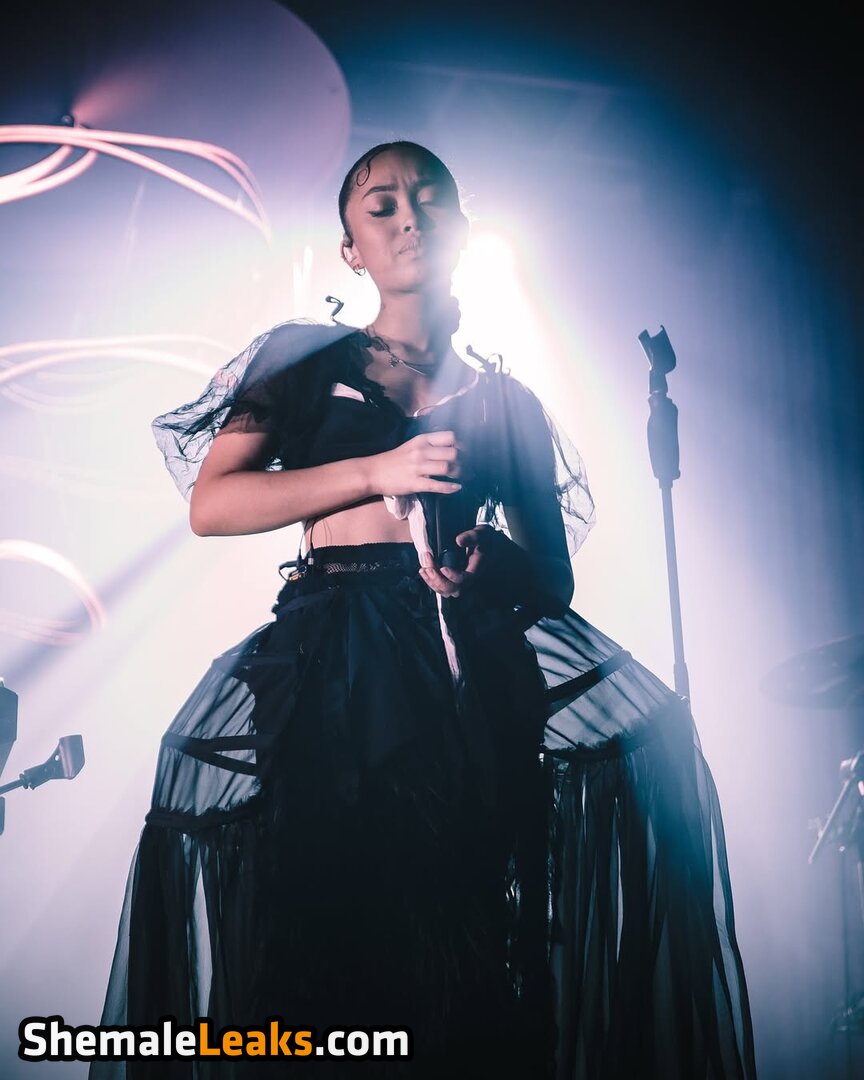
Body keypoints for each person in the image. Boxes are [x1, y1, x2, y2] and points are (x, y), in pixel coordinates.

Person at [92, 142, 756, 1079]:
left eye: (430, 198)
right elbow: (214, 503)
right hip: (334, 659)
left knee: (472, 936)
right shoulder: (302, 360)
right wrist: (376, 470)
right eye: (382, 205)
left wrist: (496, 563)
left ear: (463, 228)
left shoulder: (508, 401)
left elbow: (553, 579)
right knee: (330, 928)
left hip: (471, 669)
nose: (409, 217)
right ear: (351, 249)